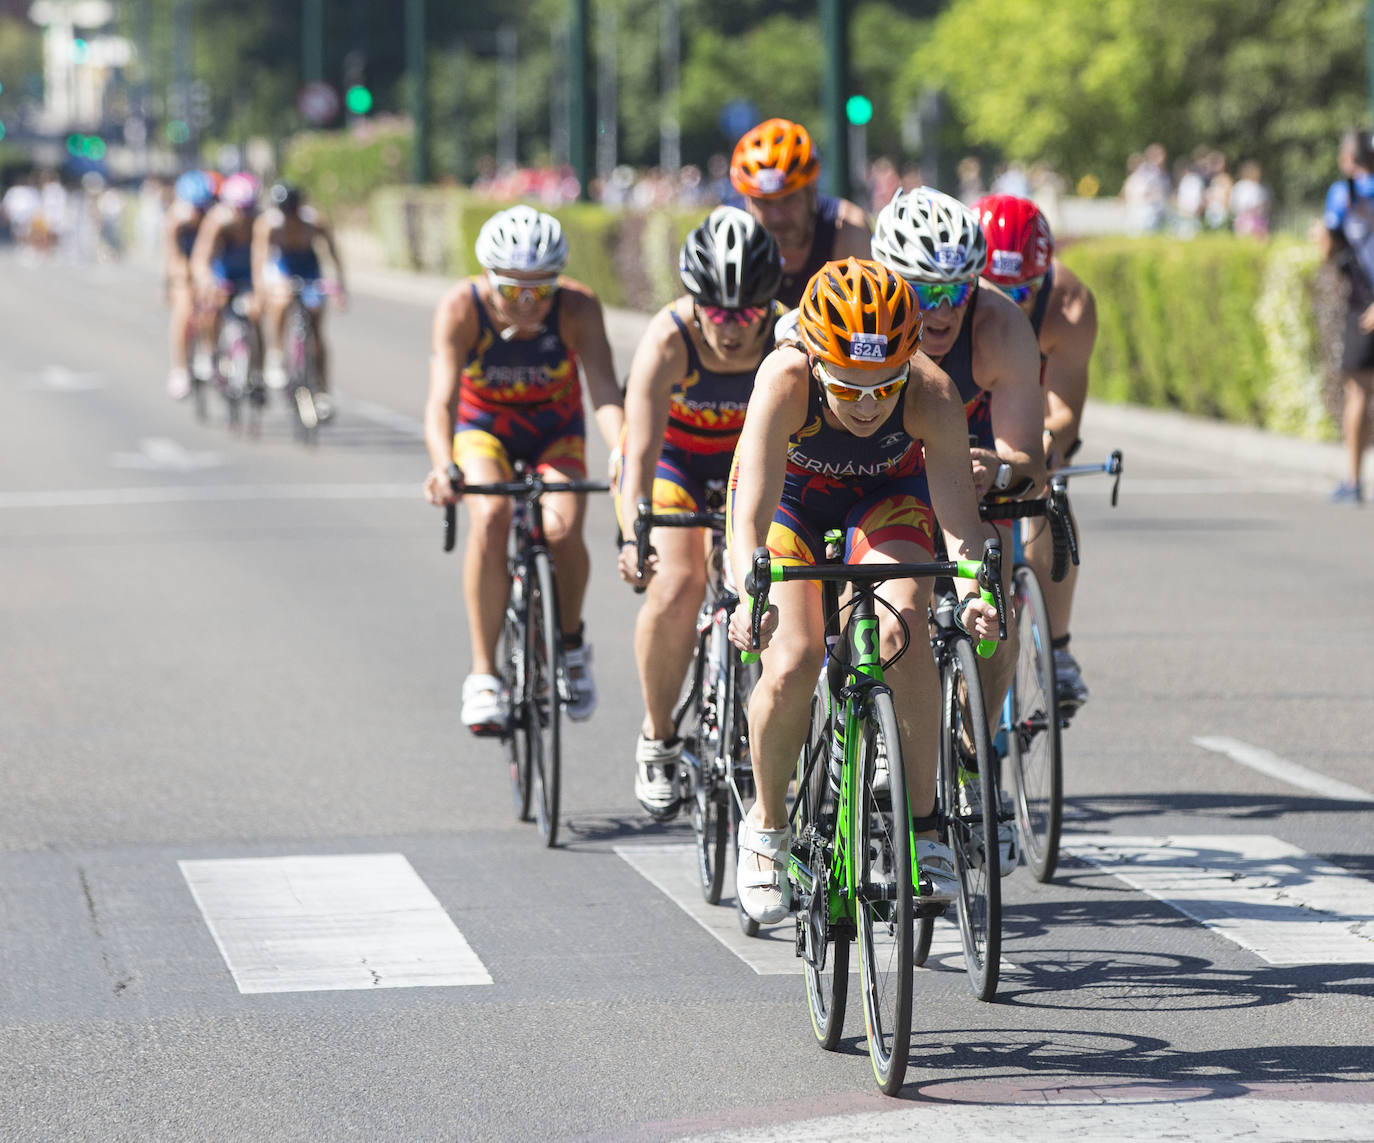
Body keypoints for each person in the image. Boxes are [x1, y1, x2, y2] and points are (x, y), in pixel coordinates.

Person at [725, 258, 1000, 923]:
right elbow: (749, 518)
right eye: (848, 387)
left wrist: (973, 596)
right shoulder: (783, 379)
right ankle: (766, 825)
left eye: (884, 385)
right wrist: (746, 594)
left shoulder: (930, 390)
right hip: (793, 503)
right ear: (816, 362)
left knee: (904, 619)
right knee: (792, 659)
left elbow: (961, 530)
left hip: (885, 499)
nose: (870, 404)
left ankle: (925, 825)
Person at [422, 205, 624, 733]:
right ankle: (484, 674)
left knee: (561, 528)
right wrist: (443, 465)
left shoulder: (577, 308)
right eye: (513, 291)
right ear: (489, 280)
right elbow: (441, 399)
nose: (529, 304)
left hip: (553, 430)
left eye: (542, 289)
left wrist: (624, 449)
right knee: (489, 516)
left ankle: (572, 644)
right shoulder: (461, 308)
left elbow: (603, 388)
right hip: (483, 427)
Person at [614, 206, 784, 820]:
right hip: (678, 468)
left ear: (771, 305)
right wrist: (633, 534)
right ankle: (658, 736)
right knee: (678, 584)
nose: (731, 328)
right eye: (714, 310)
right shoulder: (668, 339)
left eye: (747, 313)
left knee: (776, 592)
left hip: (756, 473)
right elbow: (637, 453)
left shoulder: (791, 337)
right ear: (693, 302)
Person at [869, 187, 1045, 746]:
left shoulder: (1000, 325)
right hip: (879, 471)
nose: (943, 310)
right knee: (884, 607)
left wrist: (996, 467)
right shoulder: (857, 313)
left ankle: (974, 752)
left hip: (965, 475)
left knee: (996, 609)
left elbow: (1029, 465)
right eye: (924, 291)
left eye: (957, 290)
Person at [975, 193, 1099, 710]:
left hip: (1032, 411)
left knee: (1051, 486)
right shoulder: (951, 304)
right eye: (993, 288)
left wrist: (1042, 451)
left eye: (1023, 289)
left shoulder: (1068, 303)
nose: (1008, 301)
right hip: (972, 403)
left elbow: (1066, 412)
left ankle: (1058, 647)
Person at [728, 117, 870, 308]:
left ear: (812, 190)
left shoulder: (848, 229)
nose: (777, 215)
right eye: (764, 202)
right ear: (748, 201)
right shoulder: (727, 233)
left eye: (789, 199)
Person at [251, 182, 349, 420]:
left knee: (316, 324)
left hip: (309, 267)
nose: (290, 216)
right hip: (282, 267)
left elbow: (332, 253)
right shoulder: (269, 224)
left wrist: (339, 286)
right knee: (282, 299)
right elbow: (261, 257)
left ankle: (323, 391)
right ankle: (276, 352)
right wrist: (262, 289)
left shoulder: (315, 222)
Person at [1320, 129, 1374, 503]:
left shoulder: (1344, 193)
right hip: (1363, 305)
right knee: (1360, 391)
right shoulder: (1349, 193)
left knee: (1358, 392)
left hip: (1365, 306)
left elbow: (1327, 242)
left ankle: (1353, 480)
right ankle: (1352, 481)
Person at [190, 171, 262, 372]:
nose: (242, 215)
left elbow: (266, 259)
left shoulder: (259, 220)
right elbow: (201, 258)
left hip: (248, 271)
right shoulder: (217, 220)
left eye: (248, 209)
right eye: (238, 209)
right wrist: (206, 281)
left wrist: (260, 291)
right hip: (222, 270)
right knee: (212, 304)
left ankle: (259, 369)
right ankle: (210, 350)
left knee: (256, 314)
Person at [164, 171, 216, 399]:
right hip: (184, 262)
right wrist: (177, 278)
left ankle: (208, 350)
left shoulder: (212, 216)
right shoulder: (176, 219)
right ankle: (180, 368)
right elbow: (172, 256)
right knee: (183, 311)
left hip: (206, 260)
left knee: (213, 305)